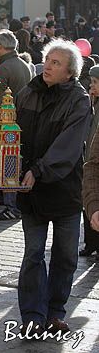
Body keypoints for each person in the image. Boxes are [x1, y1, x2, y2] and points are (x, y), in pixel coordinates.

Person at [15, 39, 91, 338]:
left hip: (64, 189)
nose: (48, 66)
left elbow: (68, 147)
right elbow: (12, 133)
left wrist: (39, 169)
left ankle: (56, 311)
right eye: (47, 60)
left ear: (70, 72)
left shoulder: (79, 99)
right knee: (33, 253)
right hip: (31, 190)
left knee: (66, 255)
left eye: (56, 63)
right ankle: (32, 316)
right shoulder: (27, 93)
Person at [0, 29, 32, 219]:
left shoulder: (3, 68)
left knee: (6, 159)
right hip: (22, 118)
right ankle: (2, 194)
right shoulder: (23, 64)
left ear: (0, 46)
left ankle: (10, 203)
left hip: (7, 121)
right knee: (10, 159)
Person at [79, 65, 99, 259]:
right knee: (90, 203)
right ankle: (91, 243)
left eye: (94, 82)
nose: (91, 86)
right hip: (91, 156)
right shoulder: (93, 102)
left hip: (94, 157)